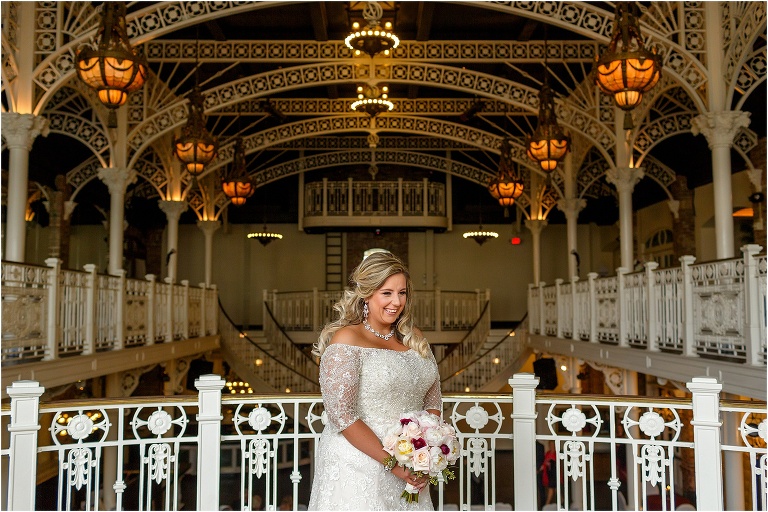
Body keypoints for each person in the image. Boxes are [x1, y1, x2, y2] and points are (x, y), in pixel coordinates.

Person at [307, 251, 442, 511]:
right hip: (359, 463)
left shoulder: (414, 337)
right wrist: (394, 464)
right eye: (387, 293)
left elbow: (432, 398)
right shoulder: (346, 339)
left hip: (411, 462)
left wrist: (425, 447)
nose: (396, 302)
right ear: (367, 294)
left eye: (402, 293)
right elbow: (343, 416)